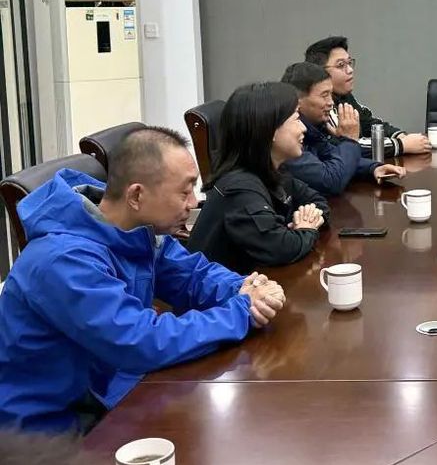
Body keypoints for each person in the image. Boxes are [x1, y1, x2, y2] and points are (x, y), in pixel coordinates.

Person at [0, 127, 285, 433]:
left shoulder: (135, 230)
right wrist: (242, 310)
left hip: (106, 393)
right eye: (184, 191)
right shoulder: (63, 260)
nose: (193, 203)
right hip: (46, 429)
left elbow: (192, 275)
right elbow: (140, 341)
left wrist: (244, 288)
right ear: (136, 195)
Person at [187, 82, 331, 274]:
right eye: (296, 118)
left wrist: (305, 222)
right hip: (220, 292)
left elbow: (318, 202)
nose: (303, 128)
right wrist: (307, 229)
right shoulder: (240, 187)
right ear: (270, 130)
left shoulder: (273, 171)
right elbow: (280, 248)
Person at [280, 62, 406, 195]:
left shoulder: (314, 128)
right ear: (297, 101)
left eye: (331, 94)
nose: (331, 102)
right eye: (324, 95)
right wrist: (349, 140)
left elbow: (332, 157)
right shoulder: (286, 138)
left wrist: (373, 168)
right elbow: (330, 181)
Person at [304, 35, 431, 156]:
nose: (350, 70)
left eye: (349, 63)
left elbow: (368, 123)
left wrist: (399, 135)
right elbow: (348, 146)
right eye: (341, 65)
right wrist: (401, 145)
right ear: (320, 72)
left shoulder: (343, 96)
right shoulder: (323, 106)